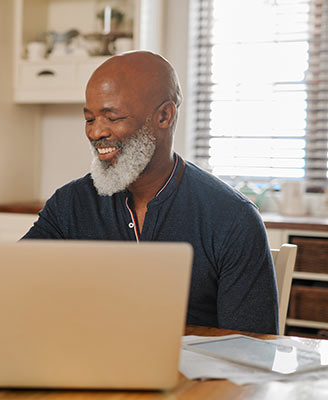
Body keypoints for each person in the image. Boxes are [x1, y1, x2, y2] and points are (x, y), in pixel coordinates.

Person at [23, 51, 279, 335]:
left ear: (164, 116)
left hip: (196, 377)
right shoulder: (69, 205)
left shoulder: (232, 218)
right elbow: (10, 287)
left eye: (112, 117)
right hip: (86, 371)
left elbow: (253, 348)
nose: (96, 133)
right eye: (89, 119)